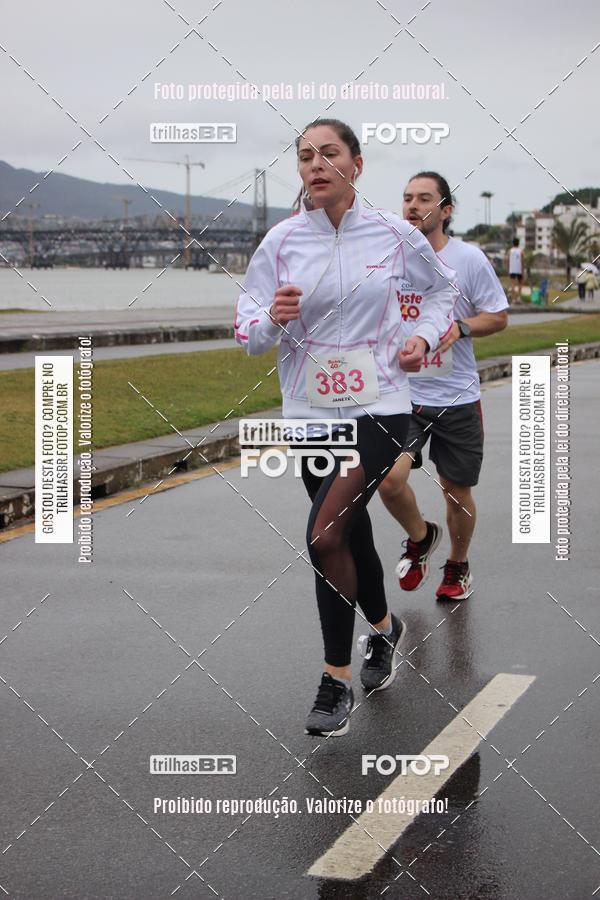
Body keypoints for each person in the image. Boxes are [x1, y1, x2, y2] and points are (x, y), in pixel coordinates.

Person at [234, 121, 457, 737]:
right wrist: (271, 321)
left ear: (356, 164)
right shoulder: (280, 243)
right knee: (346, 531)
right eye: (305, 156)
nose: (316, 164)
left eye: (329, 154)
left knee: (324, 534)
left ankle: (336, 677)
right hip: (310, 411)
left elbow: (442, 296)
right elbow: (248, 330)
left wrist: (420, 337)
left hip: (380, 406)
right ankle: (386, 630)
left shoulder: (393, 233)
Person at [378, 172, 508, 601]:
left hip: (457, 398)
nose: (412, 206)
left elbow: (499, 316)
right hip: (404, 396)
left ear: (446, 210)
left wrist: (461, 328)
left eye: (424, 199)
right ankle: (421, 537)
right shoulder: (392, 257)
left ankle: (458, 565)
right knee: (388, 480)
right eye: (407, 197)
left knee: (456, 493)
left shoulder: (467, 260)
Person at [507, 238, 524, 304]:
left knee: (513, 285)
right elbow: (522, 262)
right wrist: (522, 270)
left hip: (512, 270)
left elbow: (508, 261)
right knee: (520, 284)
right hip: (519, 270)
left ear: (513, 243)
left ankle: (513, 300)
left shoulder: (510, 251)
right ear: (518, 243)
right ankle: (519, 298)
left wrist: (509, 269)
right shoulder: (521, 251)